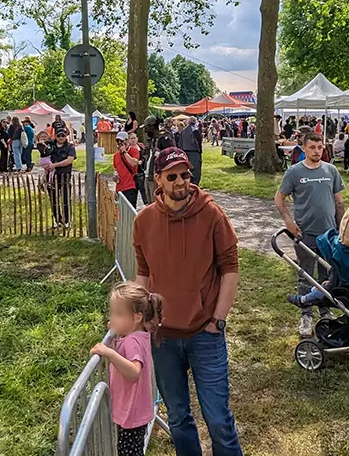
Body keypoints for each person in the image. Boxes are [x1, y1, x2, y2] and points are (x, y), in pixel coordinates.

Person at [133, 147, 243, 456]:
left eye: (185, 174)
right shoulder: (144, 221)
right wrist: (141, 317)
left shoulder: (212, 214)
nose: (181, 181)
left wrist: (218, 319)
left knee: (218, 420)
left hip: (205, 334)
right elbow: (143, 273)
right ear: (158, 179)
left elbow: (230, 268)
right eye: (172, 176)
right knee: (178, 418)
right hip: (163, 338)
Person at [275, 132, 345, 337]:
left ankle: (325, 311)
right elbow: (279, 198)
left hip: (329, 234)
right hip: (305, 234)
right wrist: (289, 222)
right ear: (304, 148)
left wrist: (341, 228)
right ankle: (306, 315)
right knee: (306, 275)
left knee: (327, 275)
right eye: (312, 147)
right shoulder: (294, 172)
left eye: (320, 147)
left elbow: (339, 201)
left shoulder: (331, 170)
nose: (317, 151)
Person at [90, 282, 163, 456]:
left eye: (119, 314)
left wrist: (109, 353)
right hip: (133, 411)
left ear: (137, 318)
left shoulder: (133, 342)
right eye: (112, 313)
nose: (112, 318)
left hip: (132, 413)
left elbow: (134, 372)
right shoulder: (136, 336)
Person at [47, 129, 76, 227]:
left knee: (65, 199)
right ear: (55, 136)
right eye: (59, 136)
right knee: (53, 200)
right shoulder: (51, 146)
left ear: (66, 136)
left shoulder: (70, 147)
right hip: (52, 177)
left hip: (65, 176)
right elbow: (45, 158)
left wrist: (55, 165)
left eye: (63, 136)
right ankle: (58, 220)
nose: (61, 138)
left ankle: (67, 220)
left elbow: (69, 160)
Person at [115, 130, 142, 207]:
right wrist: (115, 177)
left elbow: (134, 163)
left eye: (122, 141)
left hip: (130, 186)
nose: (120, 143)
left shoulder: (133, 151)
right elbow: (116, 170)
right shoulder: (116, 155)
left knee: (130, 209)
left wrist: (125, 152)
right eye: (118, 141)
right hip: (119, 188)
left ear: (127, 141)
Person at [176, 116, 204, 185]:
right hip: (194, 152)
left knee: (186, 169)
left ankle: (187, 183)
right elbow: (198, 142)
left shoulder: (183, 131)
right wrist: (200, 150)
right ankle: (195, 184)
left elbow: (180, 142)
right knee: (196, 170)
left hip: (185, 152)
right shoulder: (195, 130)